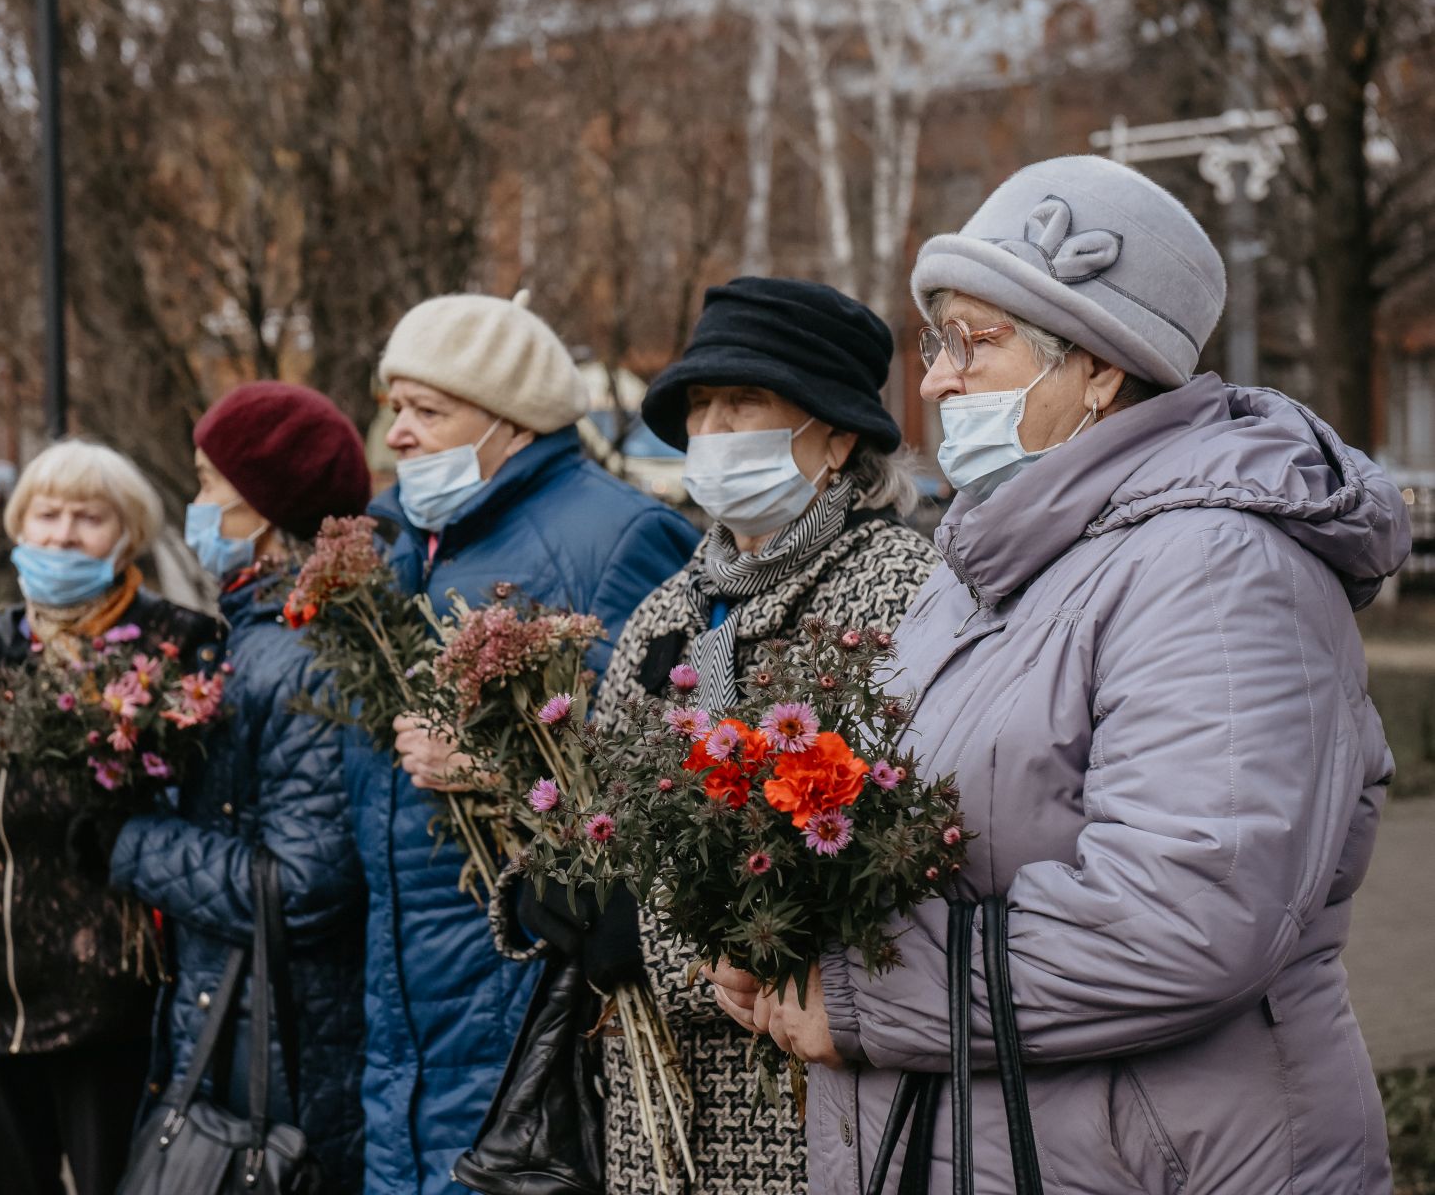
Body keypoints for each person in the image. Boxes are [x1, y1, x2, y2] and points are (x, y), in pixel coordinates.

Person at [708, 155, 1410, 1194]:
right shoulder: (988, 565)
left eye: (974, 343)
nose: (937, 379)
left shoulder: (1217, 571)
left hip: (1163, 1157)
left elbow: (1184, 917)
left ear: (1100, 371)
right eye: (935, 341)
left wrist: (858, 996)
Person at [497, 278, 940, 1193]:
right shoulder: (674, 606)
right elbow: (604, 808)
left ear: (837, 432)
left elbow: (880, 859)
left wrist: (651, 940)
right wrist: (554, 883)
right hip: (662, 1118)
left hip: (814, 1102)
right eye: (699, 406)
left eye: (745, 403)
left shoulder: (898, 588)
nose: (712, 430)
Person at [348, 290, 699, 1195]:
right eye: (397, 409)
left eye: (430, 410)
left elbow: (660, 773)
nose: (401, 435)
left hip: (525, 990)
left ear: (510, 421)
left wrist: (496, 773)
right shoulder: (400, 541)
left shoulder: (618, 535)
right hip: (403, 992)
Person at [0, 440, 218, 1195]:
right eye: (48, 514)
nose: (64, 534)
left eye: (89, 518)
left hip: (116, 1003)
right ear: (19, 526)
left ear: (128, 534)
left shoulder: (177, 646)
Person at [108, 382, 373, 1190]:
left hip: (284, 1041)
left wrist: (131, 844)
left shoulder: (301, 657)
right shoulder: (257, 633)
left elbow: (302, 886)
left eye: (209, 483)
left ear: (264, 506)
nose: (198, 504)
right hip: (245, 1016)